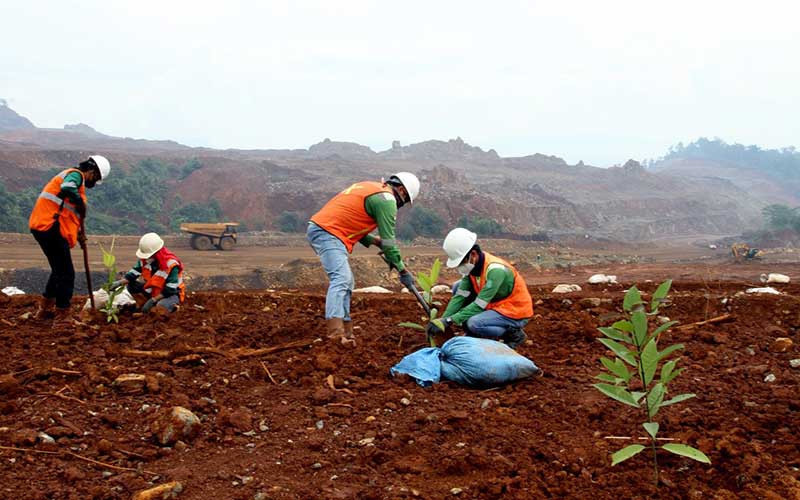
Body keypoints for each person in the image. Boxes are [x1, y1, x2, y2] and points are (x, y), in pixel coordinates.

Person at [307, 172, 420, 340]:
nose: (400, 205)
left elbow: (349, 220)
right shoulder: (387, 200)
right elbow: (390, 245)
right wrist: (403, 271)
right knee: (341, 279)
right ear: (402, 191)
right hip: (328, 233)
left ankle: (346, 330)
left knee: (347, 281)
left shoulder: (370, 187)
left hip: (326, 229)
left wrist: (374, 241)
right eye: (405, 201)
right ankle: (335, 335)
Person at [29, 155, 111, 325]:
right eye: (95, 178)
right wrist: (80, 202)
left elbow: (70, 213)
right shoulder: (76, 175)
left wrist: (79, 233)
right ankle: (63, 317)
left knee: (58, 271)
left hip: (45, 227)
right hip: (51, 227)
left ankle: (45, 310)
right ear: (91, 171)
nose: (93, 183)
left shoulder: (76, 180)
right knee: (67, 273)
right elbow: (67, 189)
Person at [427, 227, 534, 349]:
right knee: (458, 286)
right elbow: (460, 296)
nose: (461, 267)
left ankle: (513, 334)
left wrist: (450, 321)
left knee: (474, 323)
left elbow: (479, 304)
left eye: (462, 262)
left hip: (514, 311)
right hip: (492, 305)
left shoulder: (495, 270)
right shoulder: (472, 267)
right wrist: (443, 320)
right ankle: (477, 331)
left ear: (473, 254)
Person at [111, 233, 186, 314]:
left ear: (156, 253)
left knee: (160, 308)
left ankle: (172, 307)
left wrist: (153, 300)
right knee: (131, 285)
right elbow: (132, 275)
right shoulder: (145, 260)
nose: (146, 257)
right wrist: (119, 283)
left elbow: (170, 290)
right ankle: (142, 306)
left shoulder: (171, 264)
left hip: (170, 294)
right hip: (152, 291)